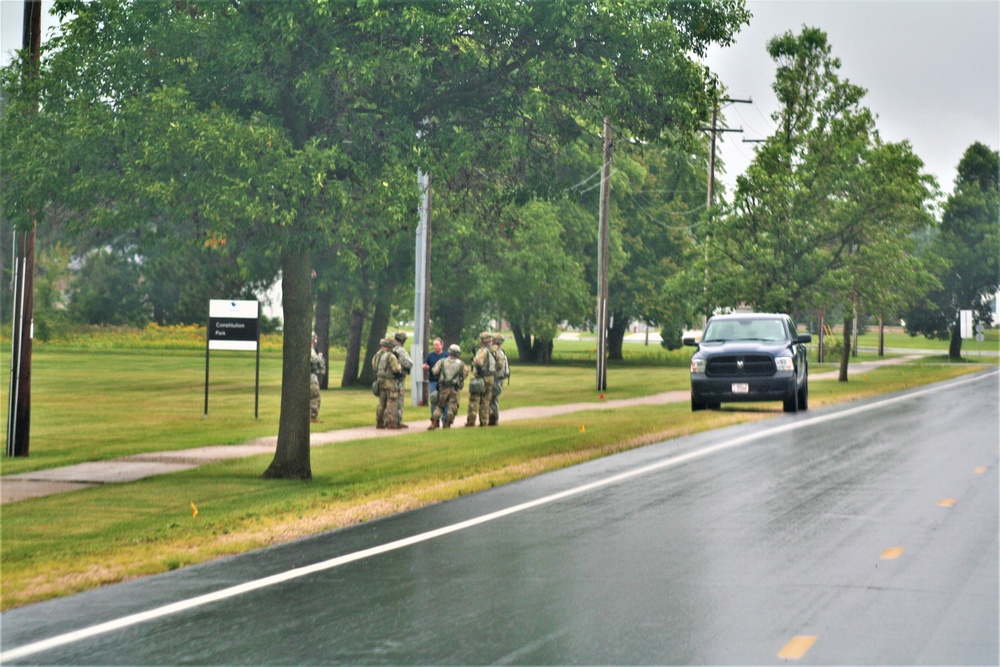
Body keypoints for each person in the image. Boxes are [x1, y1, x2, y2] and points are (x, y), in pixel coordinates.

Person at [428, 344, 468, 429]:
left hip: (442, 388)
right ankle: (447, 423)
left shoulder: (442, 361)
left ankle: (434, 422)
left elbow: (434, 371)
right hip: (454, 389)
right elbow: (465, 375)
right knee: (452, 406)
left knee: (439, 406)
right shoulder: (461, 364)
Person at [466, 331, 498, 427]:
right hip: (491, 378)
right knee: (486, 401)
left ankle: (471, 422)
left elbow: (479, 362)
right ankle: (484, 422)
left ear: (482, 341)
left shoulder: (482, 351)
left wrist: (473, 361)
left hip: (481, 377)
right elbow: (499, 364)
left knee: (474, 400)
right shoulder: (495, 351)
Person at [373, 338, 403, 429]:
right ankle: (391, 423)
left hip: (380, 380)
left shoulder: (377, 355)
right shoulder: (390, 356)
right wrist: (399, 365)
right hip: (390, 381)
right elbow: (396, 369)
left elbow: (374, 368)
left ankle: (379, 422)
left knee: (381, 402)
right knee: (392, 401)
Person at [391, 331, 413, 428]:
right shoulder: (400, 350)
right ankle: (397, 421)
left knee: (388, 400)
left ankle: (386, 420)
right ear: (402, 340)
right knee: (398, 400)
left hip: (388, 378)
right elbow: (408, 363)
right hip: (398, 378)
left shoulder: (388, 348)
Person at [422, 338, 447, 421]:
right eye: (434, 345)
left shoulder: (446, 356)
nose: (436, 347)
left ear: (442, 346)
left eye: (437, 345)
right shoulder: (430, 355)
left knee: (444, 400)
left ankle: (444, 419)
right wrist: (425, 367)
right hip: (433, 381)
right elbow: (424, 365)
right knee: (433, 399)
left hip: (444, 382)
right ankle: (434, 419)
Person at [488, 333, 510, 426]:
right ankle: (493, 419)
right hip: (500, 379)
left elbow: (495, 367)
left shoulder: (497, 353)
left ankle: (494, 420)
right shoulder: (502, 352)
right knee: (494, 399)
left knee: (493, 400)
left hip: (496, 379)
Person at [310, 333, 326, 423]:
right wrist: (320, 357)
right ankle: (312, 417)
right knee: (315, 397)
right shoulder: (311, 351)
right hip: (311, 378)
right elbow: (314, 361)